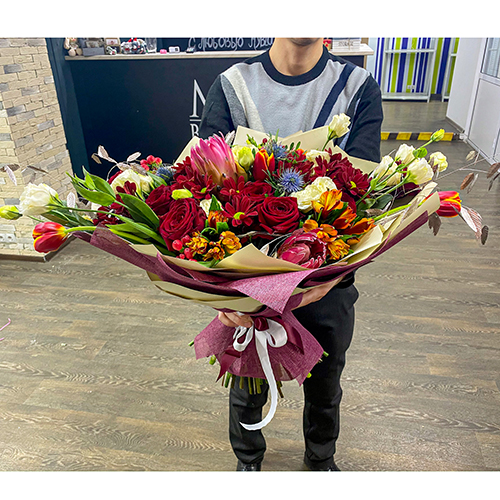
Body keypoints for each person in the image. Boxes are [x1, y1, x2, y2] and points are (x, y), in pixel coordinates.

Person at [199, 37, 383, 472]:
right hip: (247, 276)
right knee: (247, 375)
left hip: (328, 278)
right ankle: (248, 461)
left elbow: (363, 195)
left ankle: (321, 461)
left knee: (326, 380)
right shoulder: (233, 84)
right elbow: (204, 188)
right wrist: (217, 290)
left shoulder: (357, 86)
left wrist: (327, 279)